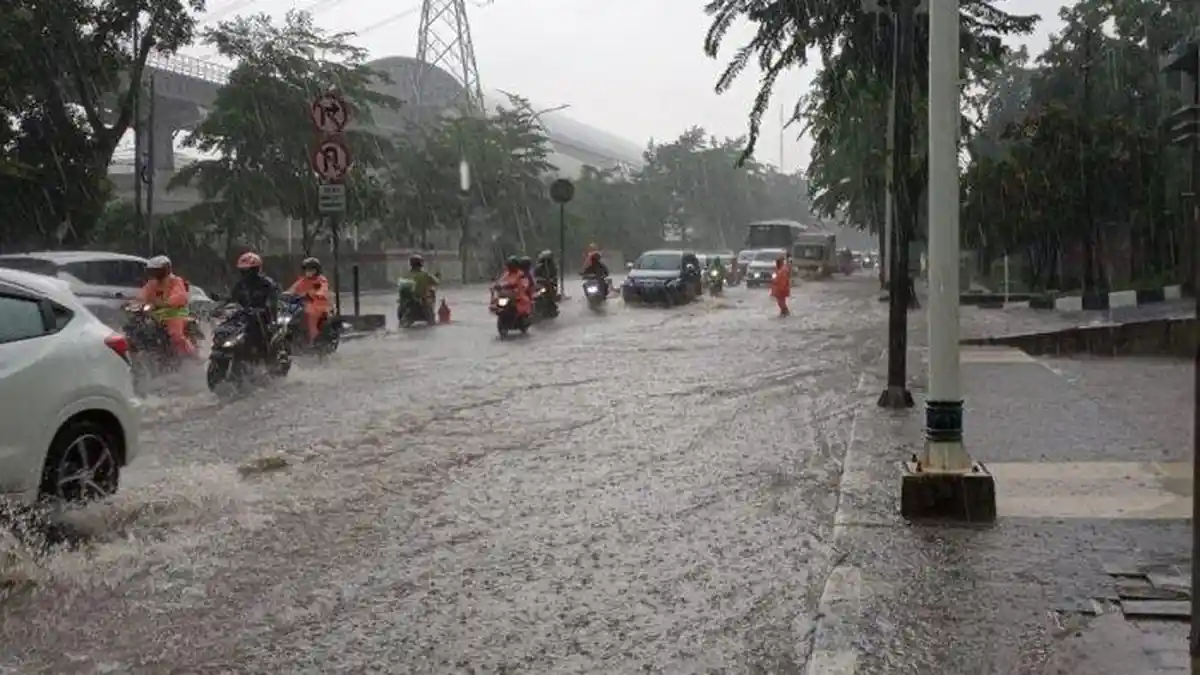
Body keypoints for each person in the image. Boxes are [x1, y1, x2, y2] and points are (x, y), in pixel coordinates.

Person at [136, 255, 198, 358]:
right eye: (153, 271)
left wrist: (165, 303)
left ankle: (193, 355)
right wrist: (134, 303)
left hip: (174, 314)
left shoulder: (175, 281)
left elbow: (180, 296)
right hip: (155, 315)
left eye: (157, 270)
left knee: (175, 336)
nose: (154, 273)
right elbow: (143, 294)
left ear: (165, 269)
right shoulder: (152, 283)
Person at [229, 251, 281, 357]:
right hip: (243, 315)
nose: (245, 273)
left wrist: (266, 308)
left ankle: (264, 353)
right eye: (243, 270)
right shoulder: (240, 285)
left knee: (259, 330)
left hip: (263, 316)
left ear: (255, 269)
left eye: (248, 270)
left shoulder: (266, 283)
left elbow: (273, 299)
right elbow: (232, 299)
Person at [286, 257, 331, 344]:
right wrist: (286, 294)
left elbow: (323, 289)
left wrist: (315, 293)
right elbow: (293, 289)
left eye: (311, 270)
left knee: (311, 317)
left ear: (316, 270)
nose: (308, 272)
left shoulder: (321, 280)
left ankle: (312, 340)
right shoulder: (302, 280)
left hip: (318, 306)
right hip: (303, 304)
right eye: (306, 269)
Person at [404, 254, 439, 320]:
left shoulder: (405, 276)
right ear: (421, 264)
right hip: (421, 301)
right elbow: (436, 282)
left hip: (407, 303)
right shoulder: (425, 275)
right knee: (431, 319)